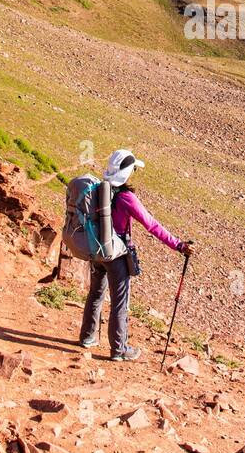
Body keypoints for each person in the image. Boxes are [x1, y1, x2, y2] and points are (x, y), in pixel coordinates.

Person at [78, 149, 193, 361]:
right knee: (120, 302)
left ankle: (87, 336)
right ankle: (119, 349)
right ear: (127, 173)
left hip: (96, 251)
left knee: (96, 293)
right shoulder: (127, 198)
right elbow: (151, 225)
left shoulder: (97, 190)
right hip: (116, 255)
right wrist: (178, 245)